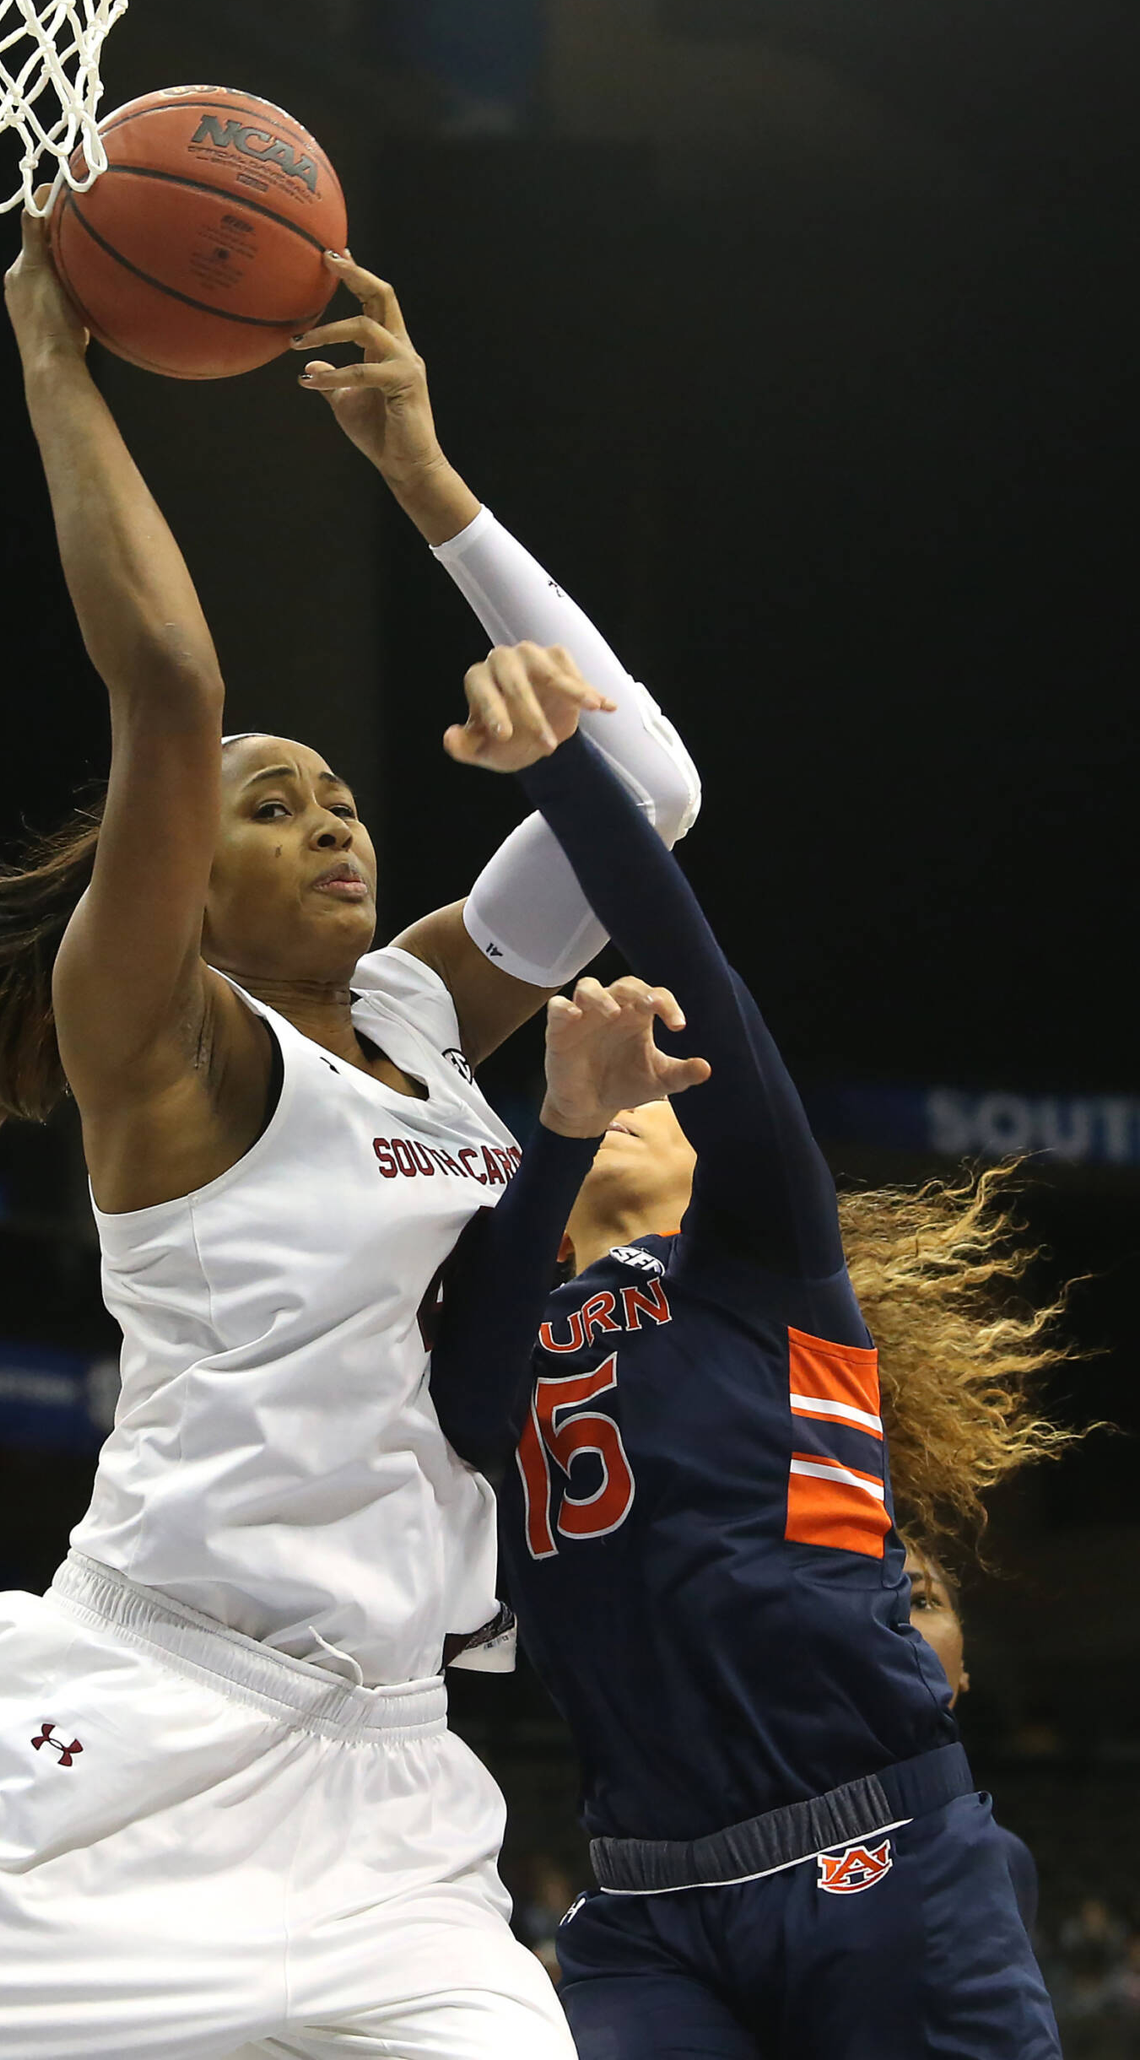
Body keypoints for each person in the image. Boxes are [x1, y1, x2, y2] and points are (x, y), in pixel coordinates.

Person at [0, 212, 699, 2060]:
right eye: (270, 805)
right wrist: (51, 360)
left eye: (340, 796)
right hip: (123, 1739)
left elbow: (643, 788)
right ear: (181, 878)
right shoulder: (165, 1048)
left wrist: (424, 476)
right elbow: (167, 686)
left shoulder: (415, 1013)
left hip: (389, 1780)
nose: (332, 820)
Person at [426, 700, 1076, 2057]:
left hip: (876, 1841)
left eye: (657, 1099)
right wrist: (559, 1126)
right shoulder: (500, 1307)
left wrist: (560, 763)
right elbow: (471, 1408)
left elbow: (694, 972)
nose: (631, 1098)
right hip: (648, 1898)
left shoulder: (765, 1259)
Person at [904, 1544, 1040, 1936]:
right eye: (874, 1600)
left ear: (962, 1667)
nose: (897, 1620)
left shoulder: (1004, 1859)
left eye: (922, 1601)